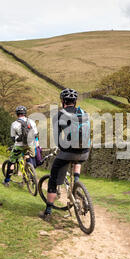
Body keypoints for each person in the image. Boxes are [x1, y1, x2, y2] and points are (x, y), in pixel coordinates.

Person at [39, 88, 90, 221]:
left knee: (53, 178)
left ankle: (48, 211)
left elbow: (57, 139)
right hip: (84, 152)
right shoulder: (84, 113)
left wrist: (62, 148)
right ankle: (76, 185)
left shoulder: (59, 115)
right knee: (77, 160)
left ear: (63, 101)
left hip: (68, 153)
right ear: (75, 101)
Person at [3, 105, 38, 186]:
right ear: (25, 113)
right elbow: (36, 134)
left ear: (17, 114)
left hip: (19, 145)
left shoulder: (14, 124)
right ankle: (31, 177)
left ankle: (7, 181)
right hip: (31, 145)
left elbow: (12, 137)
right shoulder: (31, 122)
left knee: (11, 162)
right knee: (28, 157)